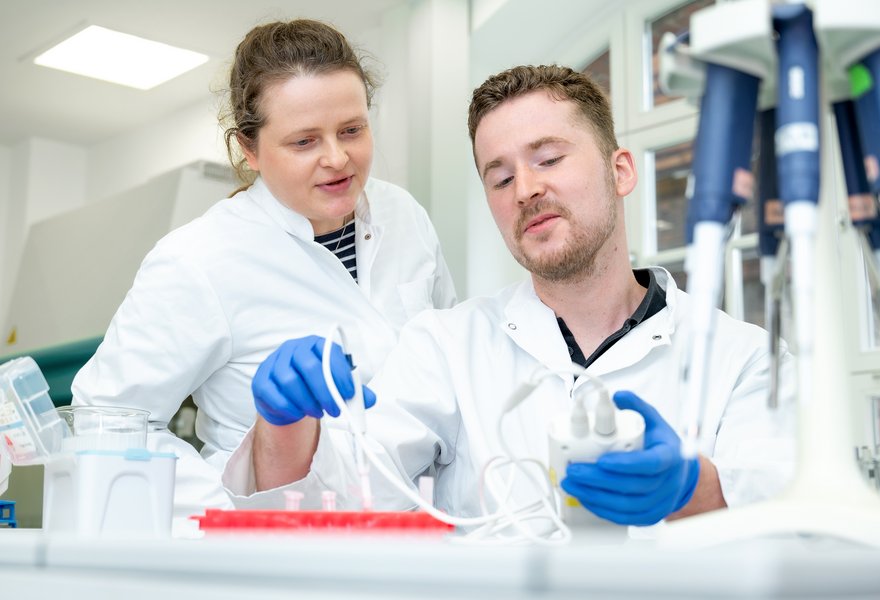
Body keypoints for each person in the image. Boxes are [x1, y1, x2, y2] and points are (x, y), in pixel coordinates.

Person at [224, 65, 794, 528]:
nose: (526, 190)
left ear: (621, 170)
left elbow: (787, 510)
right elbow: (325, 505)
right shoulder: (446, 347)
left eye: (549, 159)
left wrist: (692, 488)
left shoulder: (743, 358)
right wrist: (283, 424)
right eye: (500, 178)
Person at [69, 19, 456, 520]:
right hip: (286, 547)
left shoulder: (406, 217)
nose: (338, 159)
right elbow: (103, 423)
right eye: (304, 142)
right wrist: (230, 511)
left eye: (352, 130)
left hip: (426, 533)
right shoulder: (199, 258)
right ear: (249, 150)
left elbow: (451, 363)